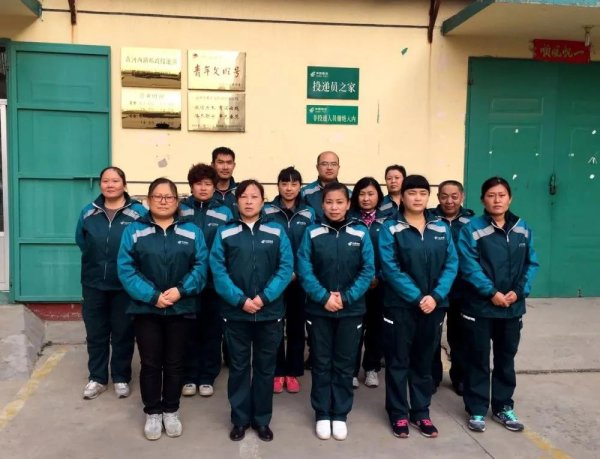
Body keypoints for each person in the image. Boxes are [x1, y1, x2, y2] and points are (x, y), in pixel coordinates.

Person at [118, 178, 208, 440]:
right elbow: (126, 269)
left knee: (175, 362)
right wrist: (153, 296)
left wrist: (181, 290)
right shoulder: (134, 230)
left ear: (177, 201)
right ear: (148, 200)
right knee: (150, 363)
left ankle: (171, 409)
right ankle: (153, 412)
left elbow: (201, 266)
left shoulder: (192, 231)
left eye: (169, 197)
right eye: (158, 196)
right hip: (146, 310)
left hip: (181, 308)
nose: (163, 201)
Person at [210, 179, 293, 442]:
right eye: (243, 196)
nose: (248, 201)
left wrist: (265, 297)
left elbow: (285, 268)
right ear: (236, 201)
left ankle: (262, 420)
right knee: (239, 368)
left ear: (262, 201)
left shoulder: (276, 230)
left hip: (269, 313)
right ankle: (239, 419)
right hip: (236, 313)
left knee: (265, 368)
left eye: (254, 196)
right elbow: (218, 270)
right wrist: (240, 300)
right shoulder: (225, 232)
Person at [457, 176, 539, 434]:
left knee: (506, 358)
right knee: (478, 358)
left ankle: (503, 406)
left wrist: (518, 292)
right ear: (483, 200)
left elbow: (531, 263)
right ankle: (477, 408)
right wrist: (491, 292)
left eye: (502, 195)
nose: (497, 200)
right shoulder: (472, 228)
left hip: (511, 308)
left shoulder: (522, 228)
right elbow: (468, 265)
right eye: (491, 195)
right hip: (480, 307)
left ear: (510, 198)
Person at [379, 175, 458, 439]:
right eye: (411, 193)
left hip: (433, 307)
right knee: (398, 361)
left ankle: (421, 412)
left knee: (424, 362)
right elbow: (390, 268)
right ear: (402, 196)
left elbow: (451, 264)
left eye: (422, 193)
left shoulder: (440, 228)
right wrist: (417, 297)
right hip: (400, 307)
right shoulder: (390, 228)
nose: (417, 198)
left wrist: (435, 296)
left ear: (428, 197)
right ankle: (398, 413)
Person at [297, 182, 375, 441]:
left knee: (344, 363)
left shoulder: (360, 232)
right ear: (322, 204)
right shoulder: (311, 232)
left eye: (339, 202)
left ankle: (340, 413)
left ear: (348, 204)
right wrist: (323, 297)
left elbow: (367, 270)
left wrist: (347, 297)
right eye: (329, 202)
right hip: (319, 310)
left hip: (351, 310)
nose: (334, 207)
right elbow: (304, 268)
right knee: (321, 362)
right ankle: (322, 412)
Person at [75, 167, 147, 400]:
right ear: (100, 185)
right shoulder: (89, 212)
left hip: (125, 284)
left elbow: (145, 244)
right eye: (105, 181)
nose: (110, 185)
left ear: (124, 184)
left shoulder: (138, 212)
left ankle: (121, 377)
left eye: (115, 181)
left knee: (123, 332)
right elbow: (81, 241)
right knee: (96, 332)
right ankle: (97, 378)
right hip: (94, 283)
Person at [180, 164, 233, 398]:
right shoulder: (181, 209)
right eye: (198, 183)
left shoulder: (225, 212)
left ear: (214, 186)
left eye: (208, 184)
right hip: (187, 283)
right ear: (191, 186)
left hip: (214, 283)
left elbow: (230, 245)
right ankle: (189, 376)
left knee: (212, 331)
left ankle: (207, 376)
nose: (203, 188)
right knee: (188, 331)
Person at [263, 167, 315, 394]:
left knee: (296, 326)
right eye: (284, 183)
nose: (289, 188)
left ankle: (293, 372)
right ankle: (277, 371)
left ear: (300, 187)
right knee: (274, 325)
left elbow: (311, 246)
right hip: (274, 278)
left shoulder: (309, 213)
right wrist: (282, 273)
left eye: (294, 184)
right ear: (278, 186)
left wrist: (298, 271)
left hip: (300, 279)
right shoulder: (267, 210)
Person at [429, 180, 475, 395]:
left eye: (454, 196)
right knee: (432, 335)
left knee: (460, 336)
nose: (449, 201)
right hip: (435, 288)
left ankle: (460, 377)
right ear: (438, 197)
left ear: (462, 197)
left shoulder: (472, 222)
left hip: (462, 289)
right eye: (444, 196)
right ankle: (432, 377)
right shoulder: (429, 218)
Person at [349, 177, 386, 389]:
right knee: (355, 328)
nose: (366, 198)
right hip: (354, 284)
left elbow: (391, 254)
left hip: (380, 284)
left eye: (371, 194)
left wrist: (378, 276)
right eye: (362, 194)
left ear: (378, 196)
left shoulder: (387, 221)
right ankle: (352, 371)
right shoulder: (349, 219)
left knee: (376, 327)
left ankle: (371, 367)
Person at [301, 151, 351, 222]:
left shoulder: (349, 194)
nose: (329, 168)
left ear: (338, 167)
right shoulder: (305, 192)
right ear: (317, 167)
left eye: (333, 164)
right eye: (324, 164)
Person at [210, 146, 238, 216]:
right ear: (212, 165)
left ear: (234, 165)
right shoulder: (205, 192)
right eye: (220, 162)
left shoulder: (241, 192)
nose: (225, 167)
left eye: (229, 163)